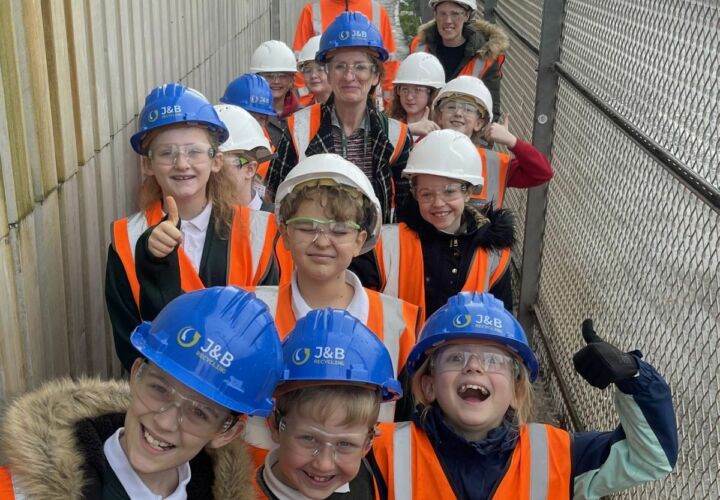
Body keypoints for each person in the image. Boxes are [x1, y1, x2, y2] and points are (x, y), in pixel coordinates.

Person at [369, 292, 678, 499]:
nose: (474, 367)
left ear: (517, 391)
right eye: (455, 358)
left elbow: (652, 457)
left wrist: (635, 377)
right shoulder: (380, 449)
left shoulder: (558, 456)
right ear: (428, 386)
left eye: (494, 360)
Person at [0, 286, 284, 499]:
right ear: (136, 374)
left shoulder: (213, 491)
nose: (165, 421)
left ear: (226, 432)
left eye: (199, 412)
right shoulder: (23, 490)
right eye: (160, 389)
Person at [106, 83, 282, 370]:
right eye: (166, 153)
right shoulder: (127, 238)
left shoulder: (257, 233)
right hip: (161, 396)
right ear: (147, 165)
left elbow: (264, 326)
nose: (181, 164)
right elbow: (129, 340)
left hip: (234, 395)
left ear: (216, 161)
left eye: (194, 152)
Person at [351, 129, 514, 321]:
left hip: (462, 350)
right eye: (426, 194)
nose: (438, 203)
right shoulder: (385, 244)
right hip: (397, 351)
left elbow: (502, 323)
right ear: (414, 194)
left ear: (469, 191)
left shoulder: (495, 253)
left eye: (449, 192)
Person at [268, 11, 412, 224]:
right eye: (340, 66)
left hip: (374, 252)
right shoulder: (299, 128)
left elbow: (405, 212)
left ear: (375, 76)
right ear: (328, 73)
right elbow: (275, 195)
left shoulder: (396, 136)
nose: (349, 76)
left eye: (360, 67)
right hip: (315, 248)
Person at [255, 308, 401, 499]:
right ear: (274, 425)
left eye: (345, 444)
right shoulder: (236, 493)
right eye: (308, 439)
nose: (324, 464)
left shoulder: (373, 488)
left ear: (367, 444)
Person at [433, 76, 553, 209]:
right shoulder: (422, 151)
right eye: (451, 106)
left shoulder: (493, 163)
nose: (458, 113)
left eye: (468, 109)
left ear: (479, 123)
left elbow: (542, 173)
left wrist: (512, 141)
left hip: (481, 230)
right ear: (439, 117)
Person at [410, 0, 508, 118]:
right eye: (442, 13)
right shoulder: (419, 47)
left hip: (464, 131)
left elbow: (491, 111)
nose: (448, 21)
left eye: (455, 14)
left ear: (467, 15)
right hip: (423, 128)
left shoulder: (484, 55)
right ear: (435, 15)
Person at [292, 0, 400, 106]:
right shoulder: (312, 11)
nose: (349, 77)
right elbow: (301, 61)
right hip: (321, 103)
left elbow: (389, 63)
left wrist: (389, 107)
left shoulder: (378, 11)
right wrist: (308, 107)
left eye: (360, 67)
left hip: (365, 101)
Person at [214, 104, 275, 210]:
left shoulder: (275, 221)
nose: (211, 170)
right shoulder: (196, 222)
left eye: (220, 162)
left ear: (250, 169)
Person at [219, 73, 279, 182]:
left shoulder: (271, 151)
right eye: (247, 116)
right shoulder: (213, 146)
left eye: (260, 118)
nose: (252, 124)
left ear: (267, 120)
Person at [249, 41, 300, 146]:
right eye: (269, 76)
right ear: (256, 79)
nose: (276, 81)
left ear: (292, 79)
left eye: (282, 76)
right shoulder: (249, 117)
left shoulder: (303, 116)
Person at [386, 52, 445, 143]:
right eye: (405, 89)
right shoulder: (387, 124)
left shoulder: (443, 130)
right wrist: (408, 129)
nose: (409, 97)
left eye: (418, 90)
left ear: (432, 93)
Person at [297, 35, 332, 107]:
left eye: (320, 69)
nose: (313, 75)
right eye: (308, 70)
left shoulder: (351, 109)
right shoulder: (303, 115)